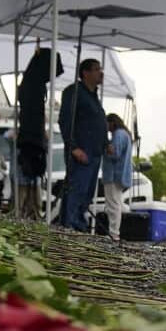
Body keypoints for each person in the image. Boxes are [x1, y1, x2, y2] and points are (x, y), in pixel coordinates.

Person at [58, 58, 108, 232]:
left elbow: (98, 122)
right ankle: (69, 225)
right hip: (81, 151)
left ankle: (78, 224)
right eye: (96, 69)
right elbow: (65, 120)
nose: (100, 73)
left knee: (86, 193)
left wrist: (106, 143)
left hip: (94, 153)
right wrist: (73, 147)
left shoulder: (93, 96)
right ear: (85, 73)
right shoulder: (74, 92)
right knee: (76, 188)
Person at [101, 113, 133, 241]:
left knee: (113, 204)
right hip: (120, 174)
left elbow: (115, 153)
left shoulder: (118, 134)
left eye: (107, 123)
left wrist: (105, 146)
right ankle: (115, 232)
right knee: (117, 203)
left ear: (112, 123)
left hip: (113, 174)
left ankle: (114, 233)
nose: (106, 127)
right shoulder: (125, 134)